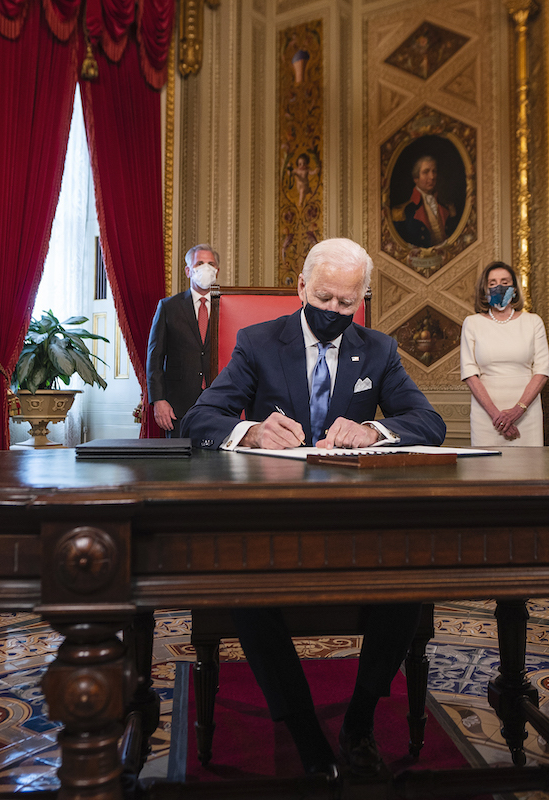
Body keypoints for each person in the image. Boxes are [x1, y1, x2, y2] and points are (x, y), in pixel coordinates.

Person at [182, 238, 445, 777]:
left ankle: (360, 722)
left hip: (355, 524)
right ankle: (305, 735)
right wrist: (251, 431)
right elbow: (199, 420)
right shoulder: (258, 342)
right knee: (245, 586)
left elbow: (429, 424)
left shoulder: (378, 350)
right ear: (301, 287)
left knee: (410, 580)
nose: (333, 312)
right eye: (324, 298)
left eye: (347, 304)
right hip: (271, 523)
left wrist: (374, 429)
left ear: (361, 301)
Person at [459, 262, 549, 447]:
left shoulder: (533, 322)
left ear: (514, 289)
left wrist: (518, 410)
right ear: (484, 290)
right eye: (492, 283)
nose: (498, 287)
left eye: (504, 282)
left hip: (526, 413)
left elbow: (542, 371)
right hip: (486, 416)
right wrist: (497, 417)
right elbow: (469, 373)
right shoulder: (472, 323)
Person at [146, 245, 218, 438]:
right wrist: (158, 400)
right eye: (200, 263)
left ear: (217, 271)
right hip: (178, 404)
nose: (206, 268)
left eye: (211, 264)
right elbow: (155, 358)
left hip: (219, 402)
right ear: (188, 271)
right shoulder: (169, 307)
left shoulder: (228, 306)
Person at [393, 155, 458, 248]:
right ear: (416, 178)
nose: (432, 177)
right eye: (426, 172)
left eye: (434, 171)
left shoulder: (447, 207)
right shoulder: (402, 211)